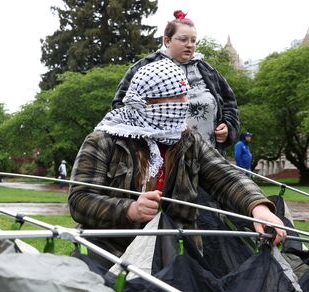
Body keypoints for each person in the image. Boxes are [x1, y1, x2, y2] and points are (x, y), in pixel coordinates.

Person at [69, 58, 285, 260]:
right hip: (113, 254)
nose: (184, 103)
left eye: (185, 95)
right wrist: (130, 210)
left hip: (179, 259)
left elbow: (225, 177)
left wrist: (258, 208)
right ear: (148, 101)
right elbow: (80, 200)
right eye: (176, 97)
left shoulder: (187, 139)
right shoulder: (103, 140)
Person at [112, 10, 239, 155]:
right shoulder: (144, 68)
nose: (189, 45)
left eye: (193, 40)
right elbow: (121, 105)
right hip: (161, 159)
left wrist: (228, 127)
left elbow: (230, 104)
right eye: (183, 39)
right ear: (167, 40)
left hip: (208, 157)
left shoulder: (208, 71)